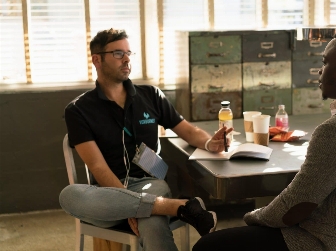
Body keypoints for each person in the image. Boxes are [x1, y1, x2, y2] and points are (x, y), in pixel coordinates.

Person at [193, 26, 336, 251]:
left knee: (207, 246)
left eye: (325, 62)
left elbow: (294, 209)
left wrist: (254, 217)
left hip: (327, 244)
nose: (320, 71)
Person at [59, 28, 233, 251]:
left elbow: (187, 131)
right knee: (69, 196)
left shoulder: (150, 95)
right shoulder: (78, 110)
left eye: (129, 53)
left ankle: (159, 207)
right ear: (97, 60)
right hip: (109, 195)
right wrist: (129, 204)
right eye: (118, 53)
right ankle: (181, 207)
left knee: (151, 221)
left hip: (151, 184)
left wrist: (211, 143)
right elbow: (97, 168)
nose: (127, 59)